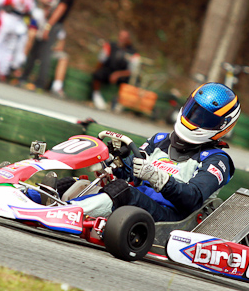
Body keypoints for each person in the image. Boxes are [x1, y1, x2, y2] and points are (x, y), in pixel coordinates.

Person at [64, 82, 240, 222]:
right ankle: (52, 200)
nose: (194, 119)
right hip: (139, 202)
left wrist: (158, 178)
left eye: (204, 118)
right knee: (75, 184)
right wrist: (112, 161)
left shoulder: (217, 160)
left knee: (122, 192)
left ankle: (66, 213)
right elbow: (130, 174)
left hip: (172, 217)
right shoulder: (160, 140)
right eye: (193, 111)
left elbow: (193, 198)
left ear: (223, 126)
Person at [20, 0, 78, 96]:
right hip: (49, 23)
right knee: (35, 49)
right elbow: (56, 5)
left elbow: (60, 10)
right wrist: (47, 2)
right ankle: (24, 77)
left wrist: (48, 26)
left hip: (53, 25)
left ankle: (40, 83)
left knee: (45, 53)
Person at [91, 29, 140, 110]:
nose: (122, 39)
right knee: (98, 74)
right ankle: (96, 96)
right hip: (109, 71)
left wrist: (118, 74)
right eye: (121, 36)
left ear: (128, 39)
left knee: (133, 81)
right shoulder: (110, 46)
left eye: (124, 38)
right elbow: (101, 61)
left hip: (122, 75)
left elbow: (132, 71)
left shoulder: (133, 52)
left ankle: (119, 102)